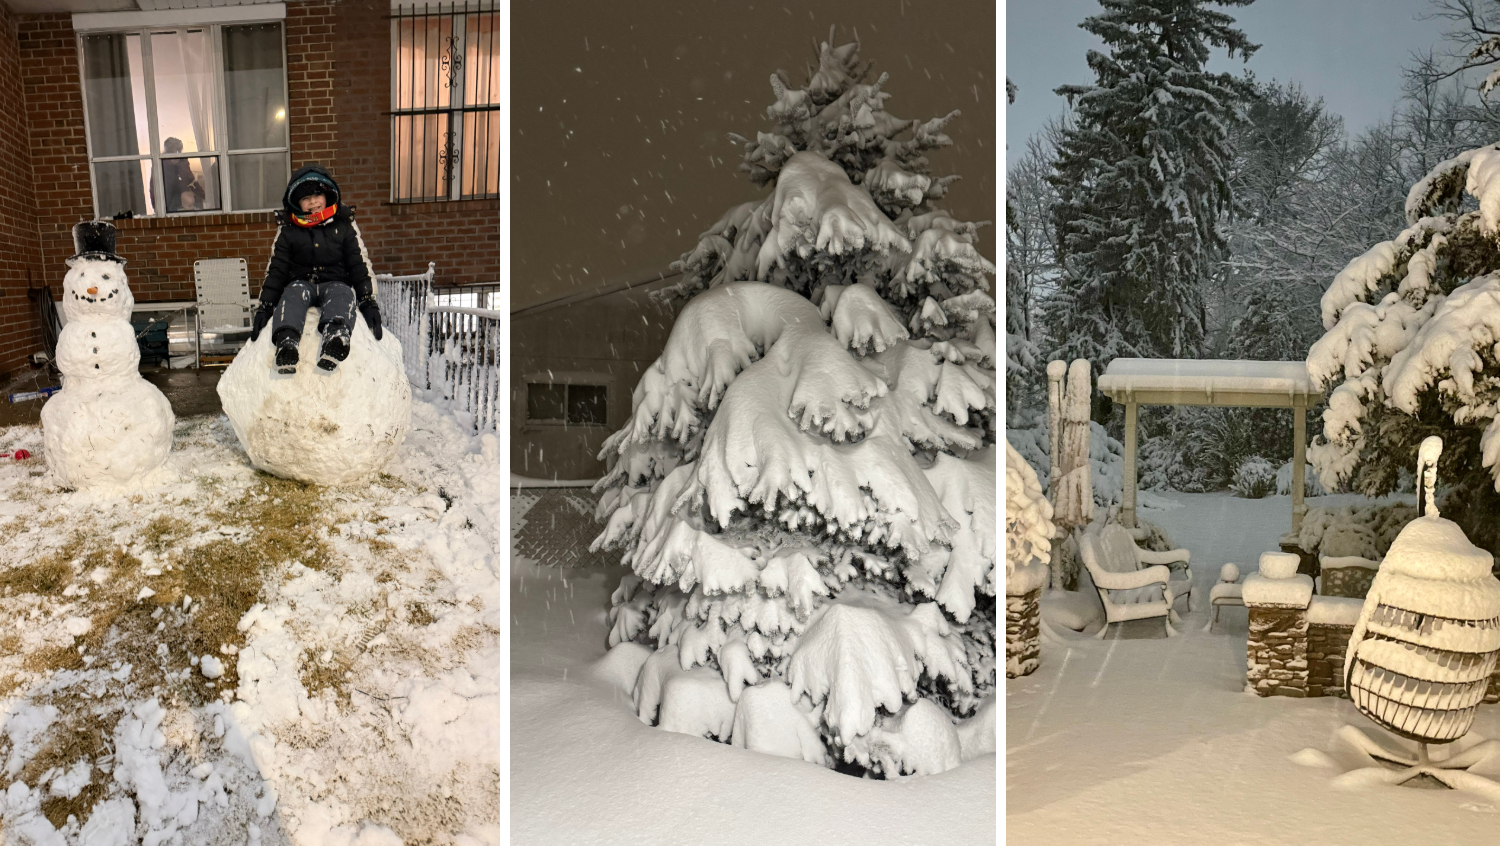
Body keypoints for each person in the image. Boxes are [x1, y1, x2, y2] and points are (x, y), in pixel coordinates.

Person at [249, 164, 382, 374]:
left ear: (328, 195)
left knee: (343, 295)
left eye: (317, 195)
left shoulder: (343, 226)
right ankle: (287, 342)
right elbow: (278, 269)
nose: (312, 202)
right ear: (296, 203)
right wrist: (265, 305)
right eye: (305, 198)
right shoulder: (289, 231)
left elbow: (358, 263)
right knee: (291, 296)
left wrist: (367, 300)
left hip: (336, 281)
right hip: (301, 282)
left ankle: (336, 338)